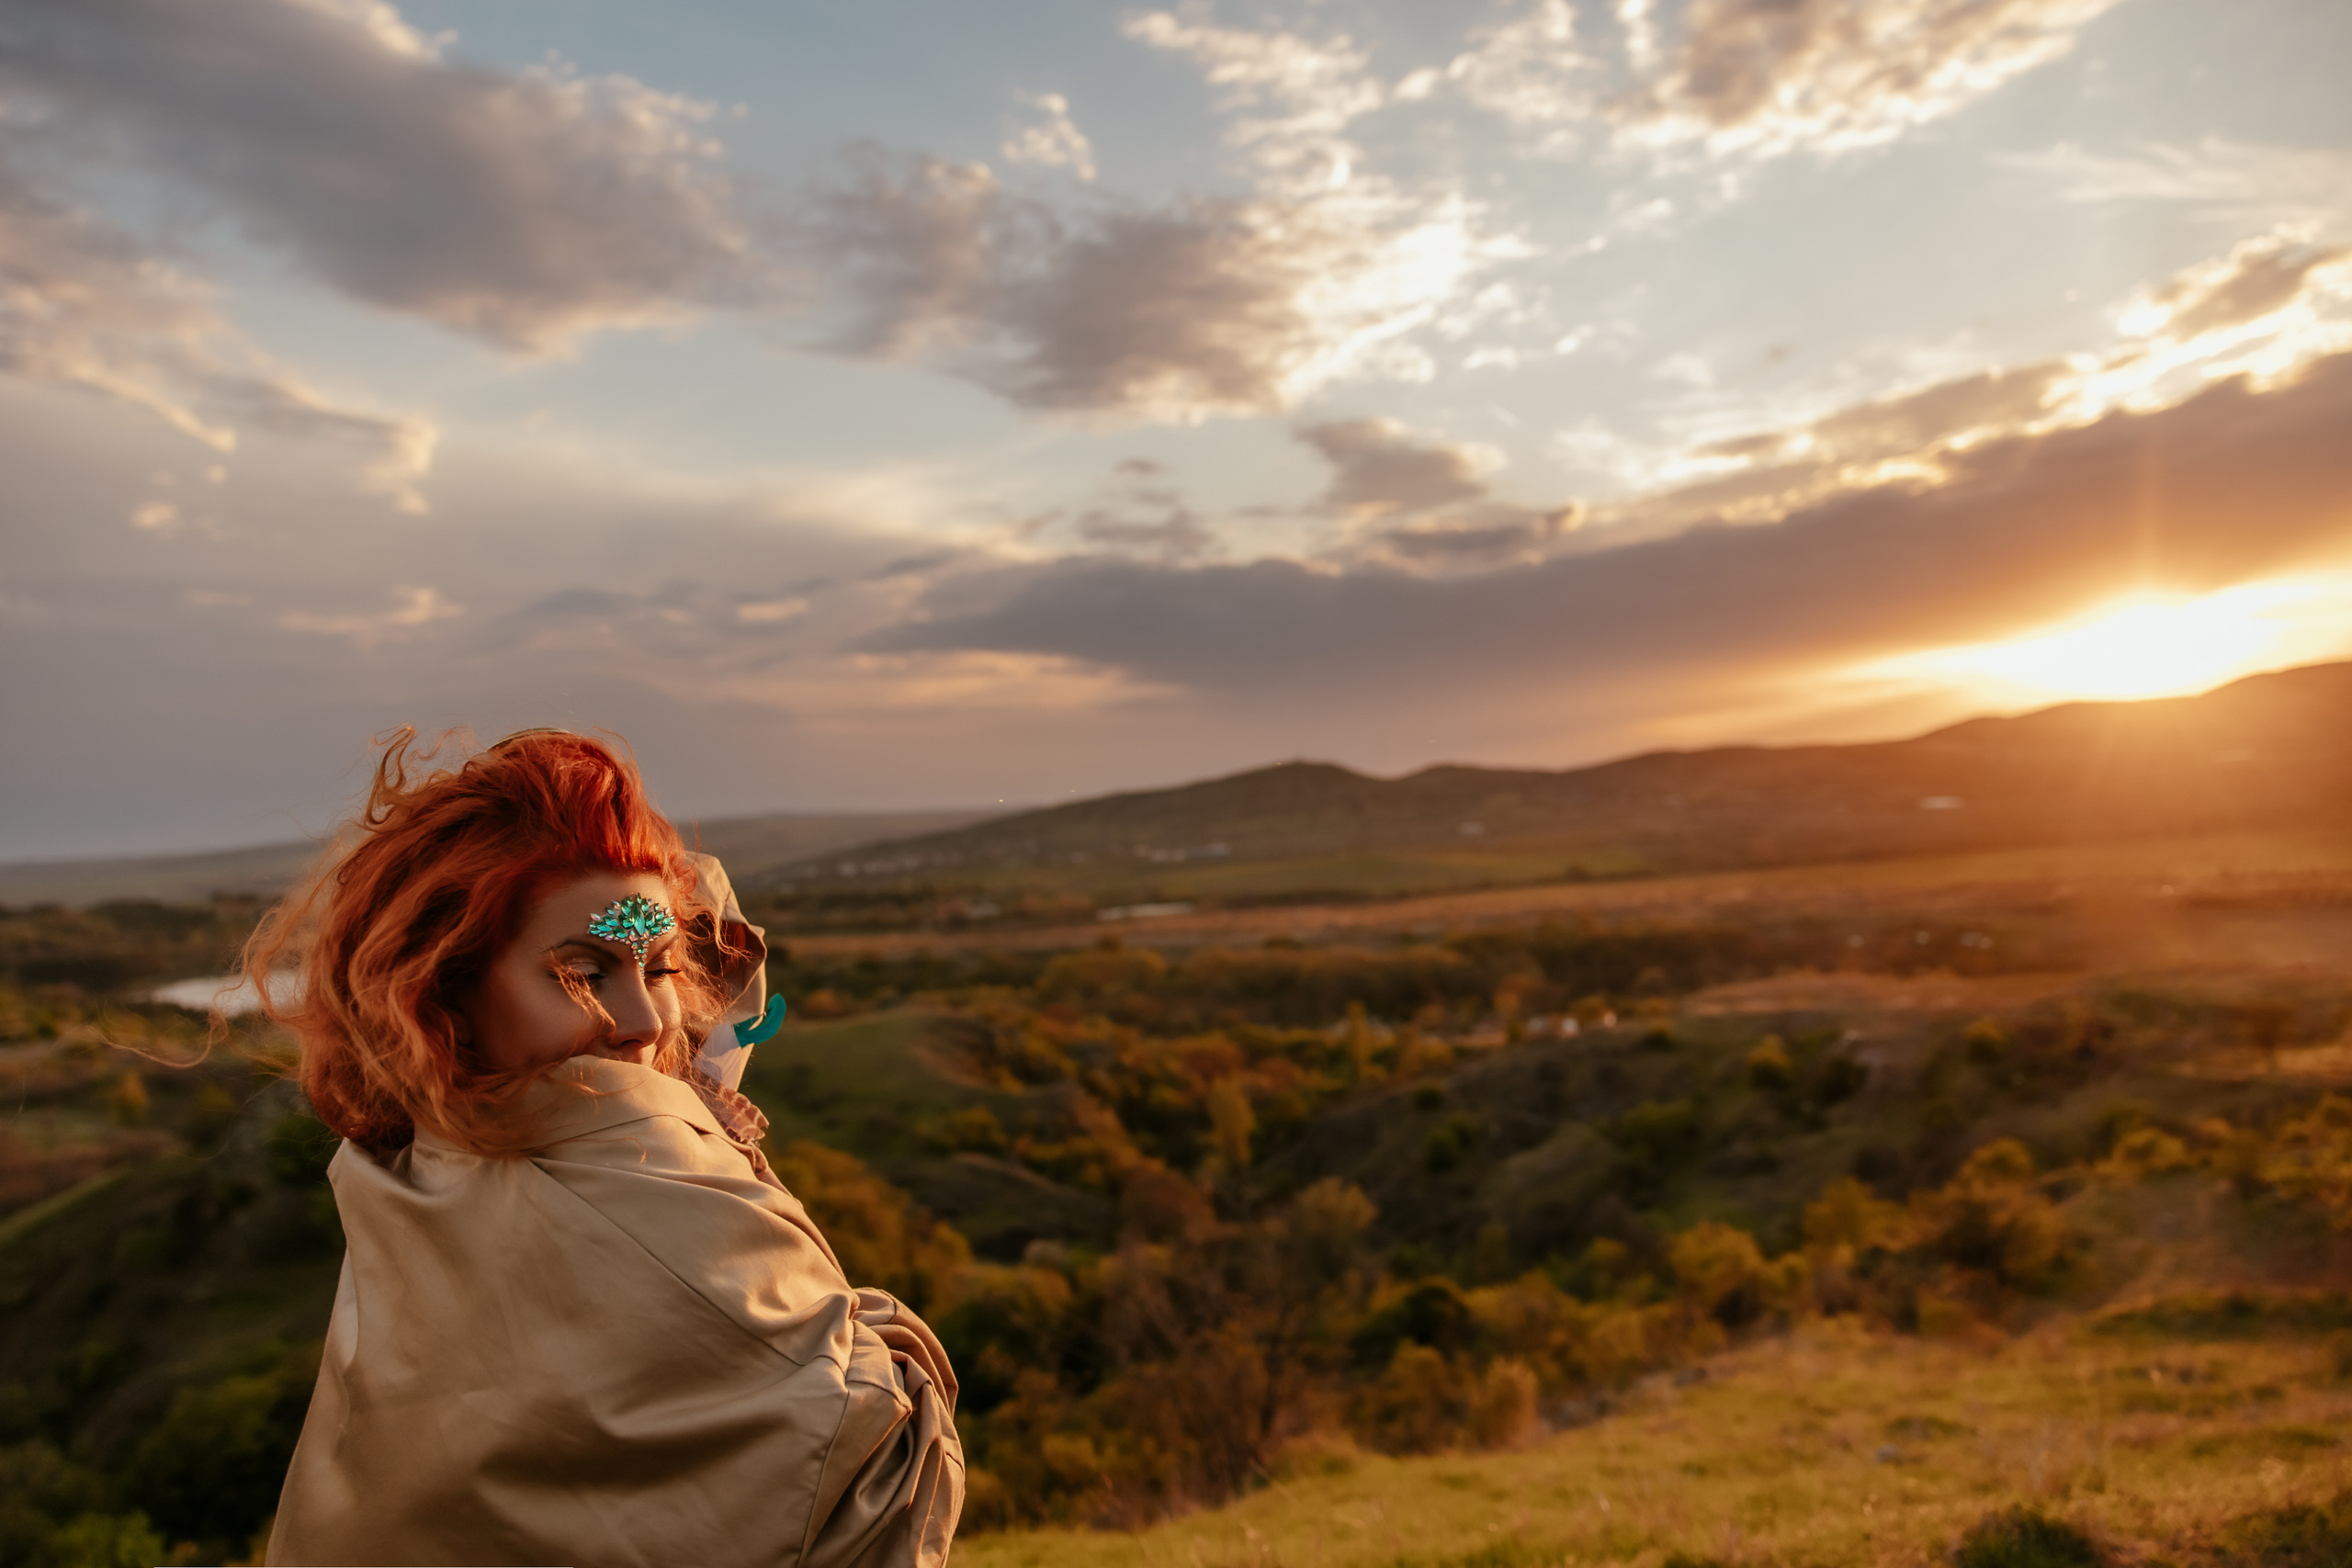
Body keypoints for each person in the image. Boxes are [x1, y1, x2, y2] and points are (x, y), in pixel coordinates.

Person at [248, 728, 962, 1567]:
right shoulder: (658, 1192)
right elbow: (889, 1474)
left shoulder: (402, 1168)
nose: (649, 1022)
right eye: (582, 973)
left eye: (659, 968)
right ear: (443, 986)